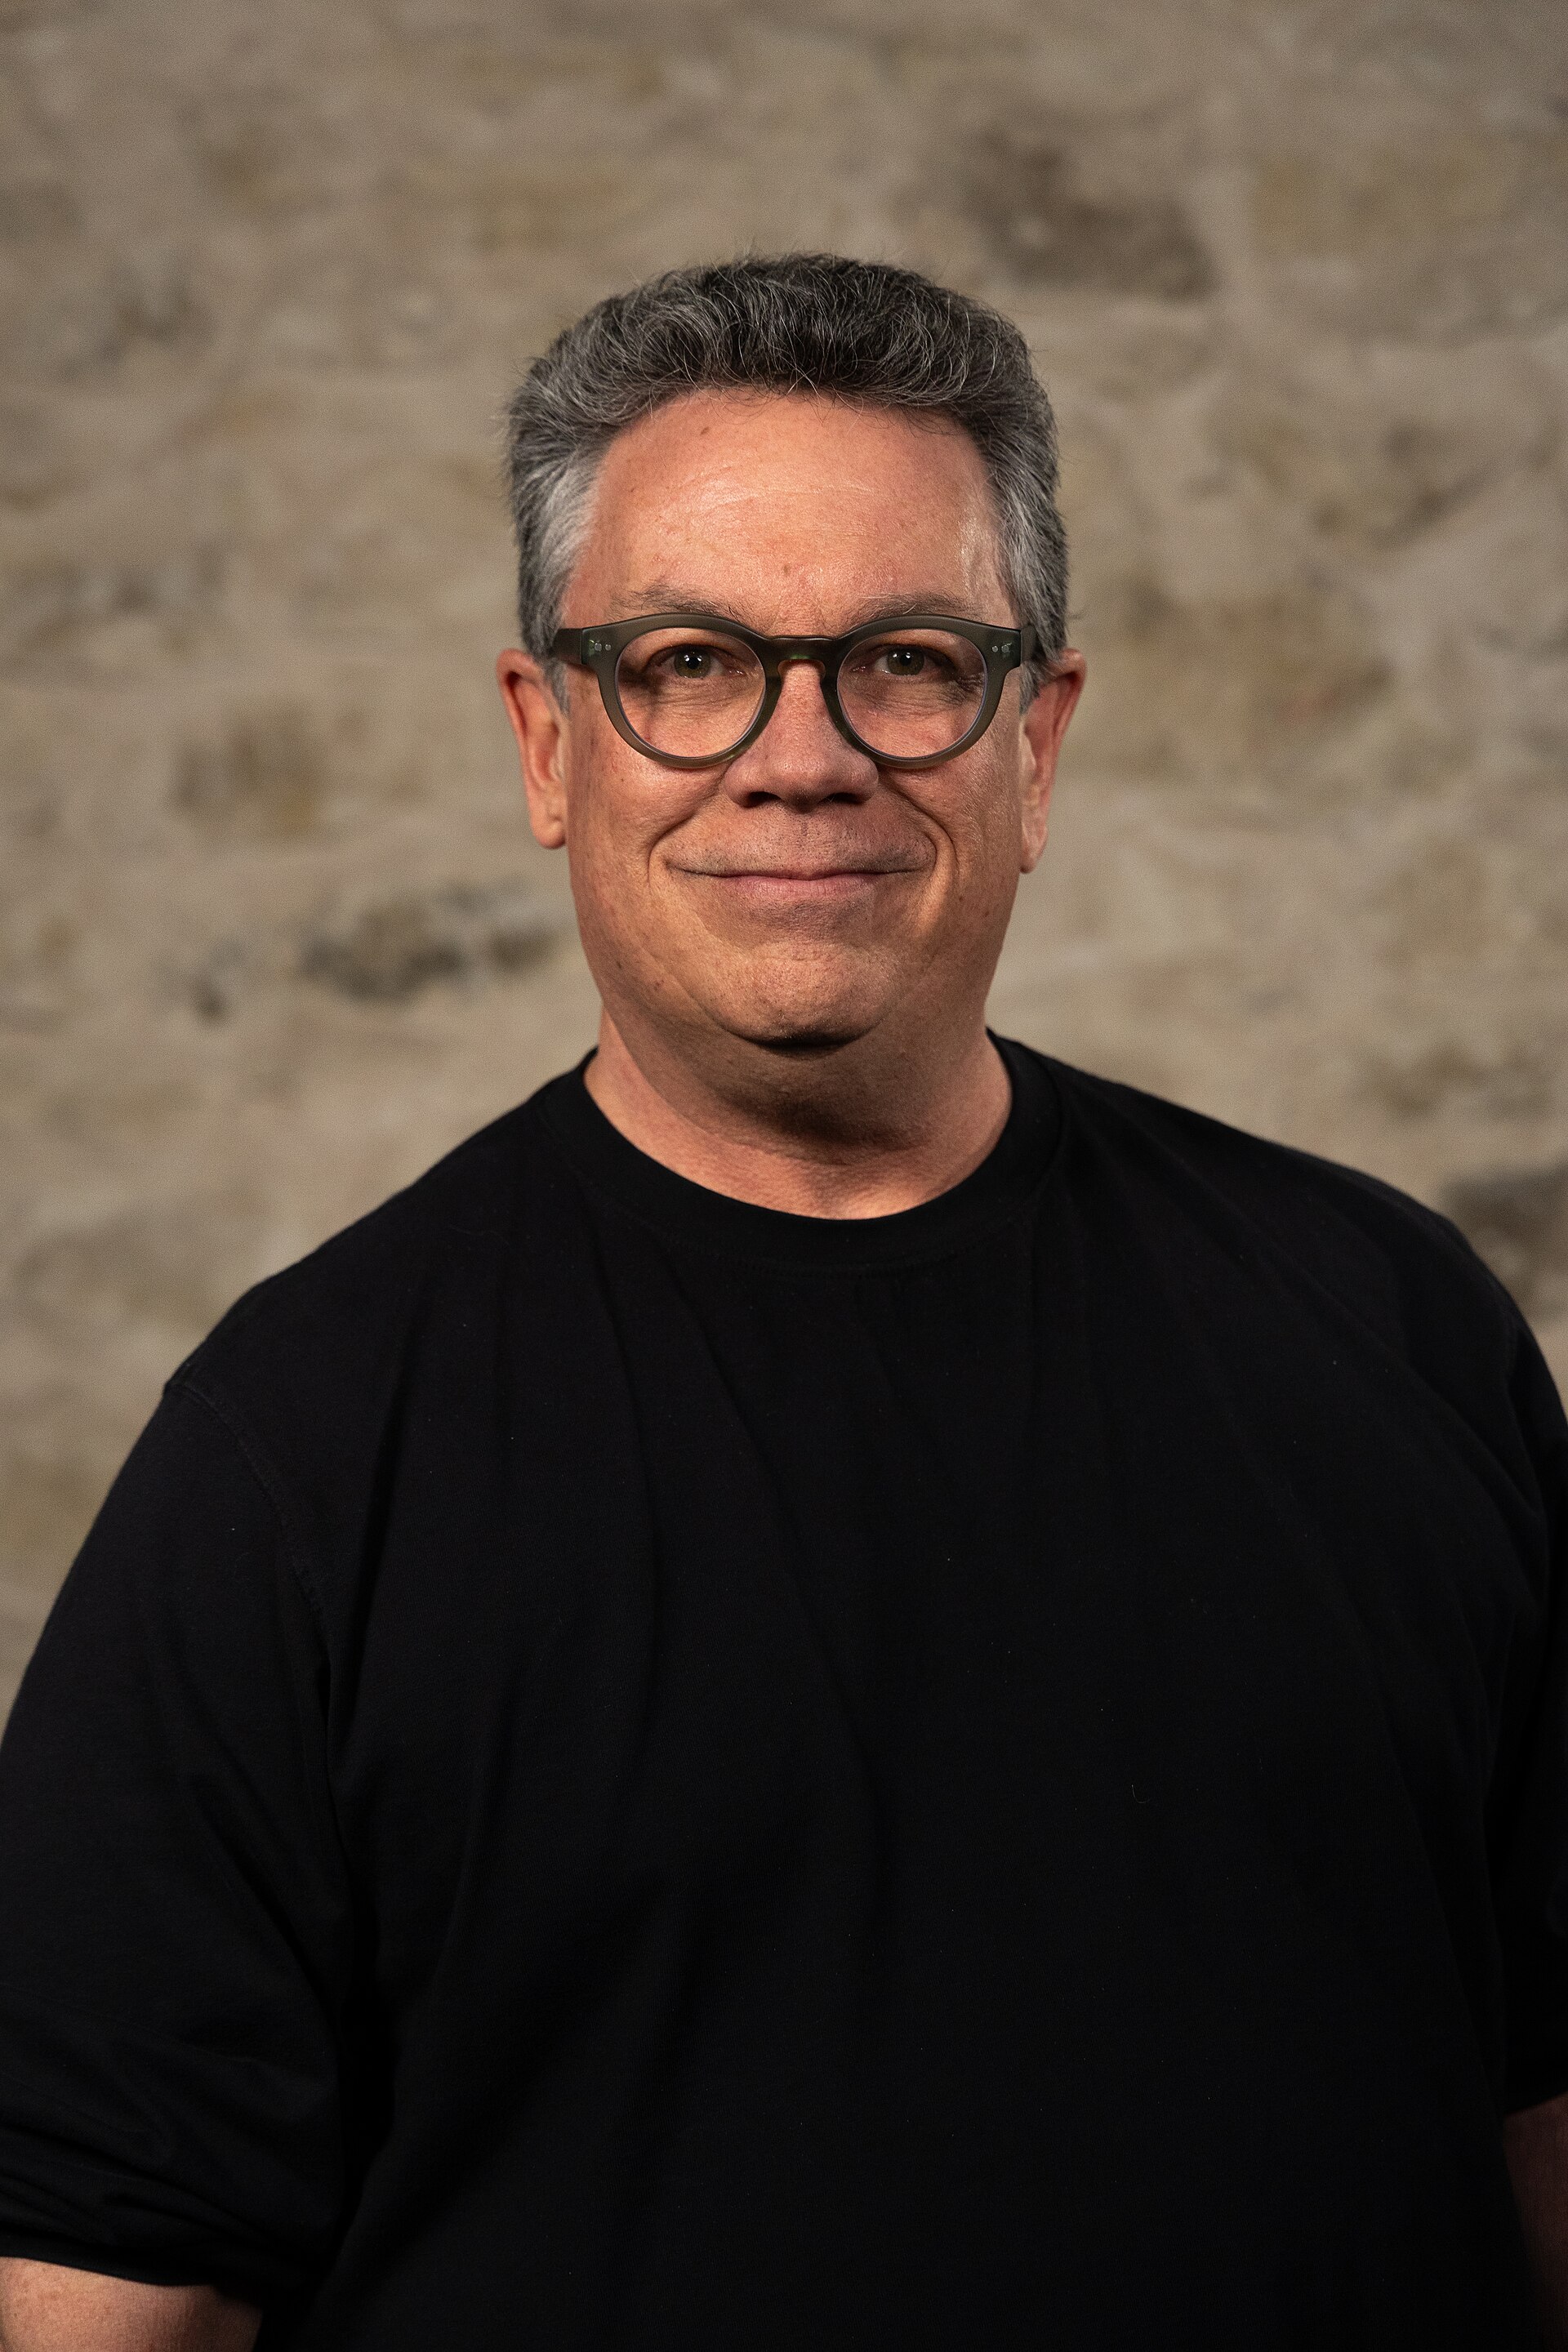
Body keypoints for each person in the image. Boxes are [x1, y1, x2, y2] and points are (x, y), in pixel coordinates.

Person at [0, 253, 1564, 2352]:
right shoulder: (298, 1454)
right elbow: (101, 2298)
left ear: (1041, 736)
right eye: (687, 661)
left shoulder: (1393, 1323)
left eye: (907, 659)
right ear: (549, 739)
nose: (799, 756)